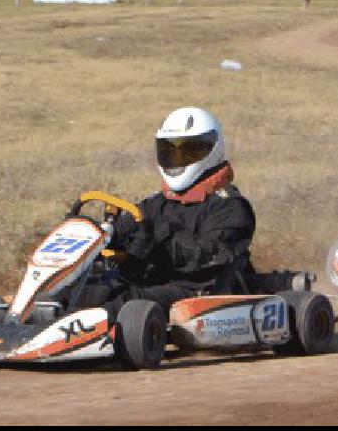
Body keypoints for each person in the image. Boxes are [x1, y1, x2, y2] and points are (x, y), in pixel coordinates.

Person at [52, 107, 306, 322]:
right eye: (170, 151)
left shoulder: (230, 207)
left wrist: (155, 244)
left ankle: (71, 335)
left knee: (126, 304)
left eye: (188, 151)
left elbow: (208, 255)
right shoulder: (156, 204)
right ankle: (31, 322)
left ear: (211, 150)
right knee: (81, 291)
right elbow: (129, 232)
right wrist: (100, 234)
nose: (178, 159)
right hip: (151, 281)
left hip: (199, 290)